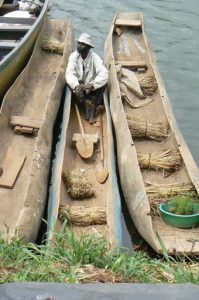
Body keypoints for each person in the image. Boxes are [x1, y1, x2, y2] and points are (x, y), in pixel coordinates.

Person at [66, 33, 108, 124]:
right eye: (78, 43)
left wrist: (91, 85)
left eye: (82, 44)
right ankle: (87, 106)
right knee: (68, 86)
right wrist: (76, 86)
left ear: (89, 47)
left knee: (104, 84)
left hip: (90, 87)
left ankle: (92, 108)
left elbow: (104, 74)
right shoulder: (73, 56)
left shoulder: (95, 58)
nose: (79, 46)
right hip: (79, 86)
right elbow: (69, 73)